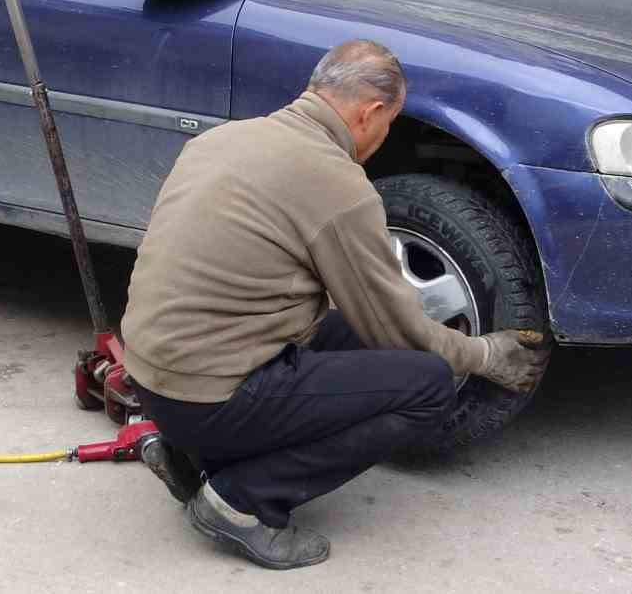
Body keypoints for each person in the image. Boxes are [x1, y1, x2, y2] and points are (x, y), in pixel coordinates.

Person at [122, 40, 547, 570]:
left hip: (152, 381)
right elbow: (401, 331)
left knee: (348, 328)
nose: (385, 136)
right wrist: (483, 354)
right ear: (369, 113)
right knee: (427, 383)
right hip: (210, 398)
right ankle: (243, 500)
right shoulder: (336, 185)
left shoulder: (225, 139)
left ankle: (192, 455)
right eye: (389, 123)